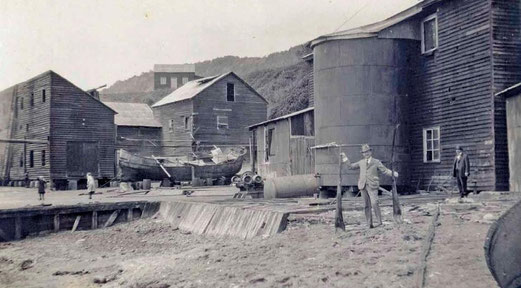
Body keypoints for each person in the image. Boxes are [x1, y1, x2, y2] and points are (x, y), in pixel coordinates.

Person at [341, 144, 399, 228]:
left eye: (367, 152)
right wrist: (344, 157)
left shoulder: (376, 162)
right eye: (364, 152)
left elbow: (384, 170)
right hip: (363, 185)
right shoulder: (361, 162)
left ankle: (379, 222)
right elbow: (350, 166)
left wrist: (393, 173)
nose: (366, 154)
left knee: (375, 203)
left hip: (372, 185)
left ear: (370, 152)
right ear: (362, 154)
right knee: (366, 205)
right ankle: (369, 223)